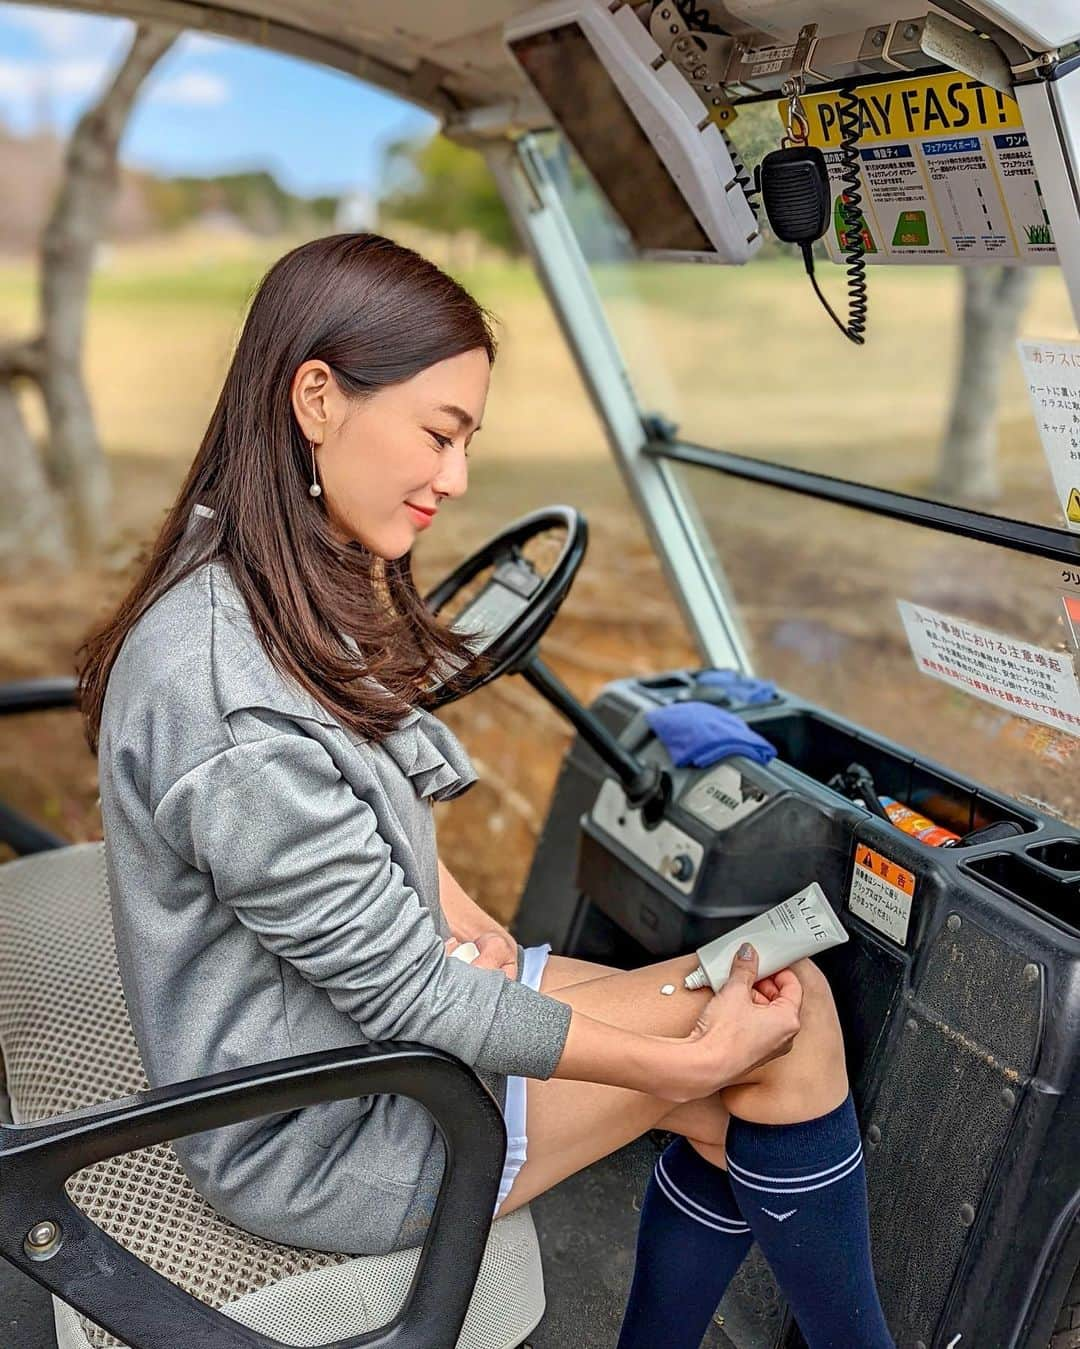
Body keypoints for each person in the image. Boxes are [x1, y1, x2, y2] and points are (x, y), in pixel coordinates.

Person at [78, 232, 894, 1349]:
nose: (455, 479)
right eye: (439, 433)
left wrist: (449, 894)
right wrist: (670, 1059)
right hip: (328, 1133)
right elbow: (415, 997)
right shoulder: (229, 699)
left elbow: (346, 782)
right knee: (772, 1049)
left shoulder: (255, 574)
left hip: (339, 1053)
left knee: (760, 1050)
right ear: (317, 397)